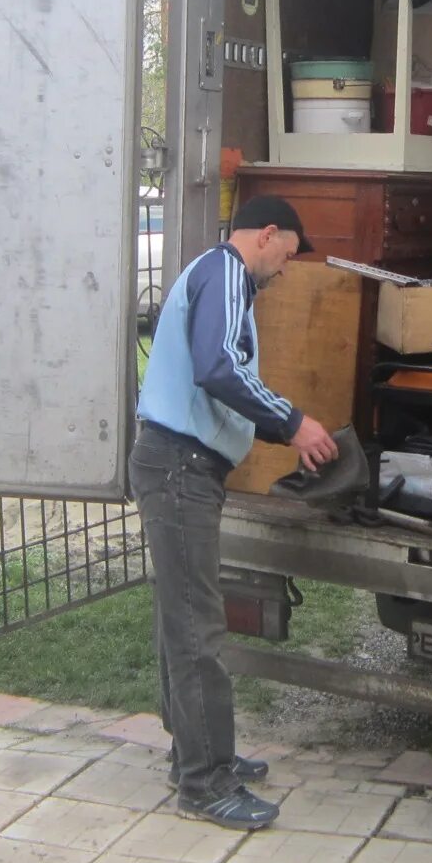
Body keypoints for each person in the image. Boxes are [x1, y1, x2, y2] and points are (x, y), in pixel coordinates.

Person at [132, 195, 338, 829]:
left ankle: (194, 752)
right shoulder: (224, 271)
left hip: (182, 467)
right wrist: (292, 423)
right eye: (289, 254)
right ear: (268, 234)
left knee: (184, 618)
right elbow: (217, 368)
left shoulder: (220, 279)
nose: (286, 268)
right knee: (197, 627)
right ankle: (205, 782)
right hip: (178, 469)